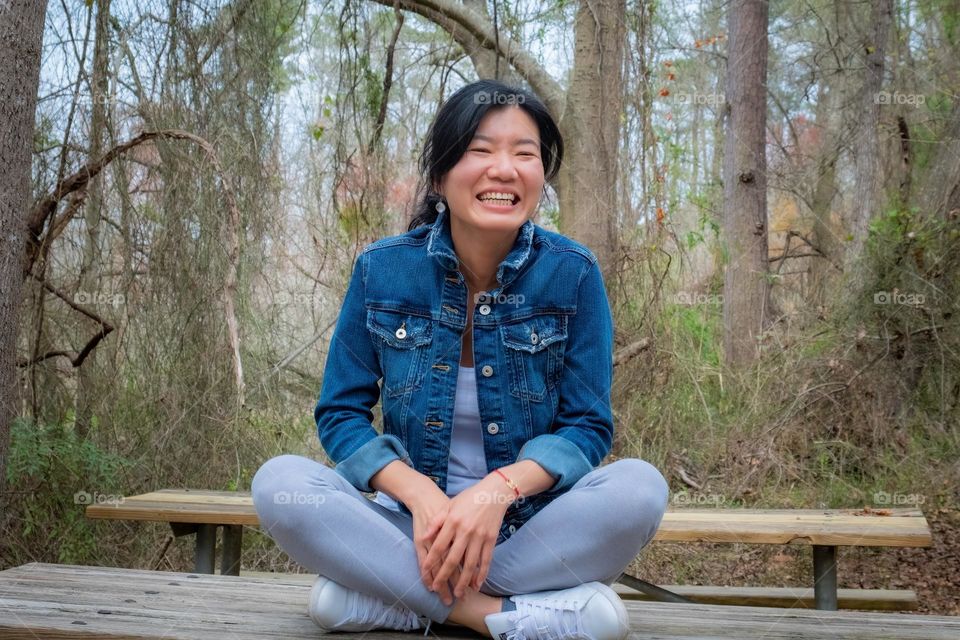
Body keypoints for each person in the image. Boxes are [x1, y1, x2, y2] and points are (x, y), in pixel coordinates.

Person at [251, 79, 669, 640]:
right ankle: (498, 615)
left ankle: (398, 599)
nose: (505, 169)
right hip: (407, 526)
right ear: (440, 173)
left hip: (527, 526)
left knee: (640, 489)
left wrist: (494, 493)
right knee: (280, 484)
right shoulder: (382, 269)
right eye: (481, 150)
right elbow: (340, 415)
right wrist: (421, 496)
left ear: (541, 177)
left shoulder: (573, 273)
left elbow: (587, 426)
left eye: (525, 153)